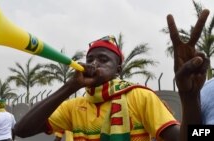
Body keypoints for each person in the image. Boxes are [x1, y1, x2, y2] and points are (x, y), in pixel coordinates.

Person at [14, 9, 210, 141]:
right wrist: (70, 87)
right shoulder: (74, 107)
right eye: (90, 59)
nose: (93, 64)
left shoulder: (140, 97)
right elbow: (21, 131)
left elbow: (192, 137)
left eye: (103, 59)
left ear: (118, 70)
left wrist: (189, 96)